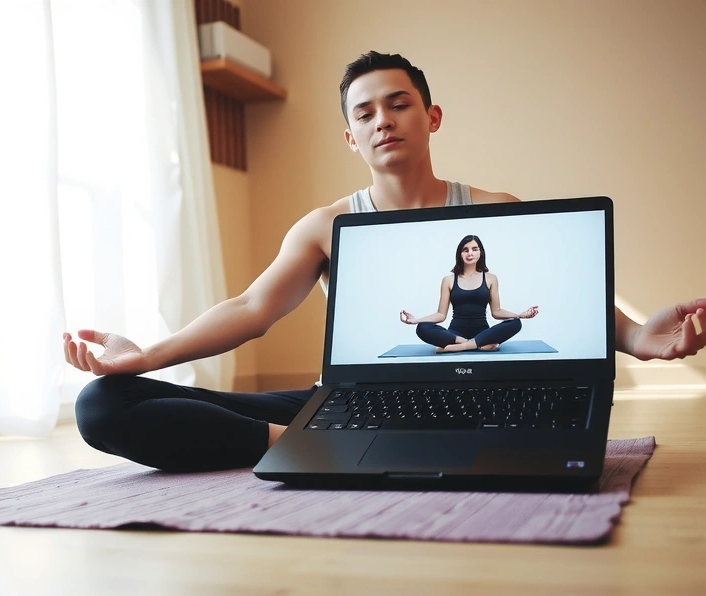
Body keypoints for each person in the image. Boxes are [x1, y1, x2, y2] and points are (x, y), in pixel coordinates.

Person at [64, 51, 706, 472]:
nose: (383, 121)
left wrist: (635, 336)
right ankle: (304, 447)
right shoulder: (325, 226)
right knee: (101, 405)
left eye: (398, 104)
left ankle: (342, 448)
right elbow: (251, 308)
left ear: (431, 116)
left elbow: (562, 295)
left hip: (478, 393)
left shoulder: (493, 206)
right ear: (350, 136)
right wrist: (145, 357)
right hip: (356, 401)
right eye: (364, 112)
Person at [400, 235, 538, 353]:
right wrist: (415, 321)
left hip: (483, 333)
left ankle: (457, 347)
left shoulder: (490, 278)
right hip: (455, 334)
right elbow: (441, 315)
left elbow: (496, 311)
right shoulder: (448, 280)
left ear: (481, 253)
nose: (469, 253)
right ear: (460, 254)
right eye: (465, 250)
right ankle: (473, 345)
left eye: (474, 249)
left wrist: (520, 315)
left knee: (515, 323)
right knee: (423, 328)